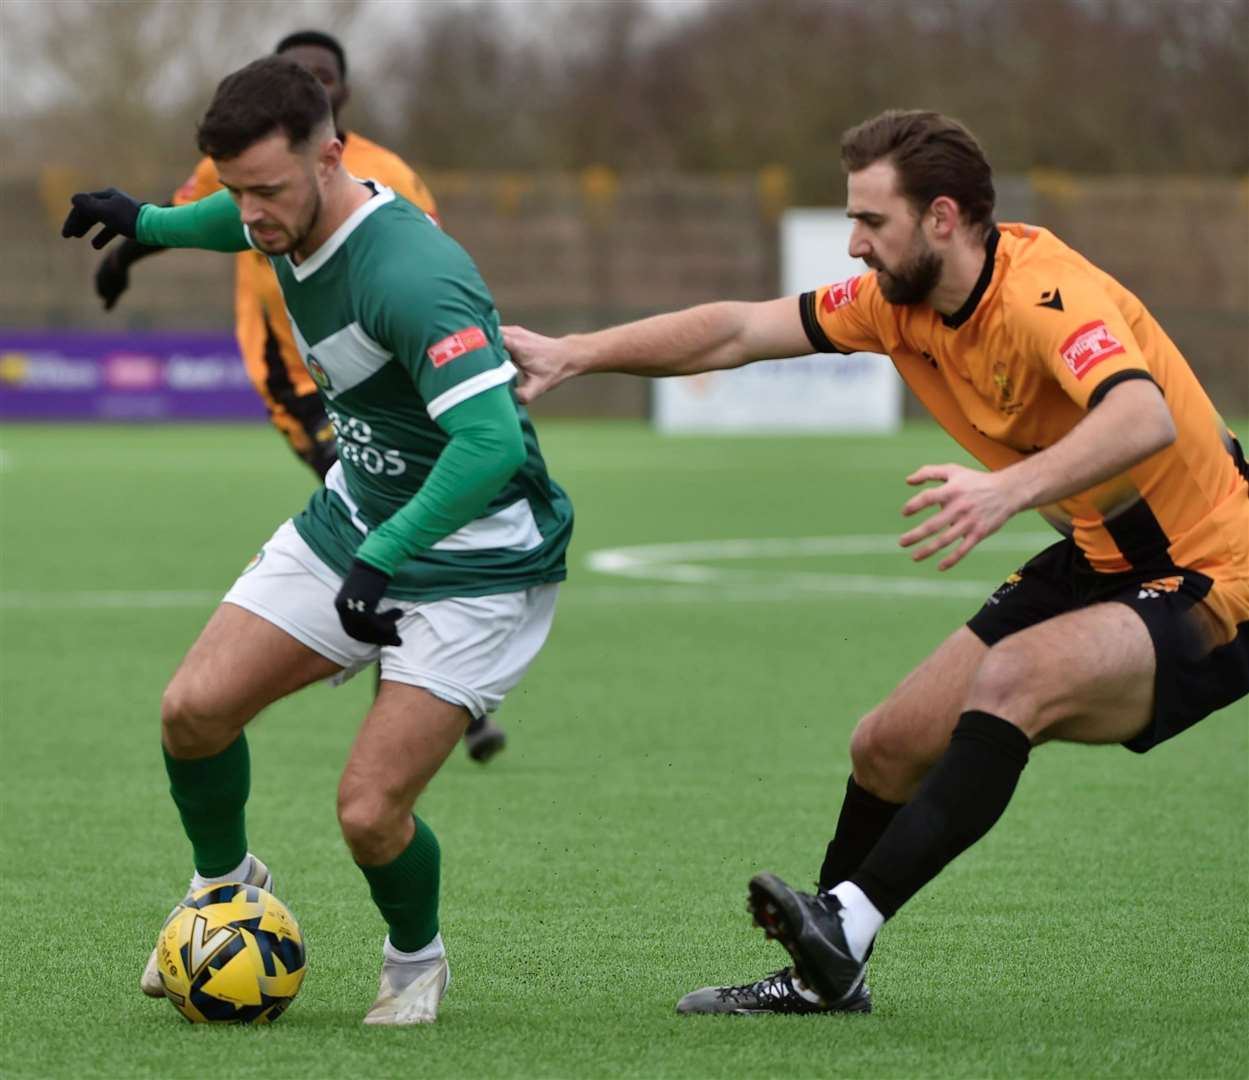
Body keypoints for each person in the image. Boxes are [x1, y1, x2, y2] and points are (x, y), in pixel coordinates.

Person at [501, 109, 1249, 1016]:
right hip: (1100, 558)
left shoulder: (1045, 292)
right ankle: (825, 971)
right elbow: (735, 332)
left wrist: (1007, 491)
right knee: (886, 745)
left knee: (1013, 680)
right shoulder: (898, 307)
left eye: (870, 222)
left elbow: (1141, 418)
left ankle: (843, 925)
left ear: (942, 218)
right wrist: (577, 353)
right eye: (850, 221)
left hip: (1221, 568)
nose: (853, 244)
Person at [62, 55, 574, 1025]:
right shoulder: (275, 213)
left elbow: (490, 440)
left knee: (368, 814)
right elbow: (229, 217)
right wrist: (148, 221)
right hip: (360, 514)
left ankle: (416, 959)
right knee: (192, 713)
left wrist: (387, 558)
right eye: (236, 190)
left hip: (476, 557)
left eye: (269, 189)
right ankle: (223, 892)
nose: (251, 213)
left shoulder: (410, 271)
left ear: (330, 156)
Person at [92, 30, 506, 763]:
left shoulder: (391, 185)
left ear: (334, 108)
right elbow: (211, 215)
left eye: (320, 74)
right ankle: (403, 649)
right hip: (297, 379)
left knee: (392, 522)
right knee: (365, 514)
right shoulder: (246, 179)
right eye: (240, 191)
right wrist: (135, 233)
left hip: (390, 391)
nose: (252, 209)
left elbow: (423, 287)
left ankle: (427, 679)